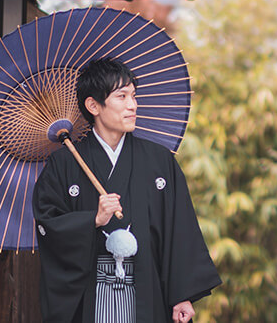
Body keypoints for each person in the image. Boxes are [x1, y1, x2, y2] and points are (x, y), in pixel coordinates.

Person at [33, 58, 221, 323]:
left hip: (147, 288)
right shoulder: (63, 164)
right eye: (122, 96)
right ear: (93, 105)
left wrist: (182, 294)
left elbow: (179, 228)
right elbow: (47, 224)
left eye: (134, 95)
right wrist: (93, 220)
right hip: (90, 293)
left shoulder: (159, 161)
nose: (133, 105)